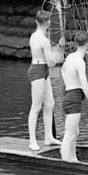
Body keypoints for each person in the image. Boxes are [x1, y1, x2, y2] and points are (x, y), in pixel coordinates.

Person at [59, 31, 88, 163]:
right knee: (69, 134)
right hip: (73, 98)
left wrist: (68, 84)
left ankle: (73, 158)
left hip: (69, 95)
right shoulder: (80, 62)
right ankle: (64, 161)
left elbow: (62, 70)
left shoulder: (70, 57)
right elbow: (85, 85)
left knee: (75, 133)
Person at [27, 10, 60, 152]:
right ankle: (32, 141)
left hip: (41, 70)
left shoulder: (33, 36)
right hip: (38, 71)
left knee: (50, 103)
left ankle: (48, 137)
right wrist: (56, 50)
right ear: (48, 23)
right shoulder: (44, 40)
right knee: (36, 107)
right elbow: (52, 63)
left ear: (36, 22)